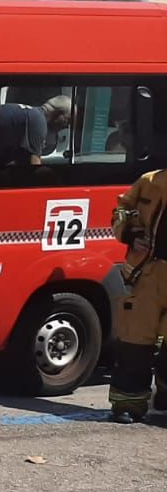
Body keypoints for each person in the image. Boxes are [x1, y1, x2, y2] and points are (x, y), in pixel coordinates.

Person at [108, 165, 167, 422]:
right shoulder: (150, 181)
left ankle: (164, 399)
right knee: (135, 341)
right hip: (148, 273)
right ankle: (128, 404)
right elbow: (120, 212)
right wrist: (130, 233)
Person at [0, 93, 71, 166]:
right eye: (68, 120)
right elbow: (34, 164)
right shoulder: (39, 122)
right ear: (58, 114)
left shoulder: (33, 114)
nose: (67, 126)